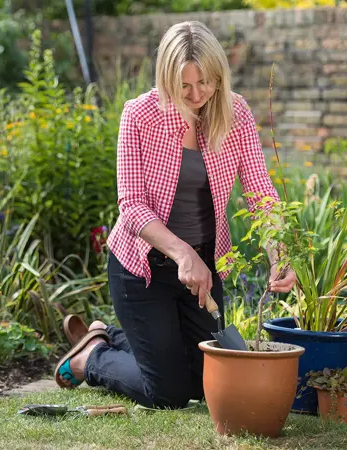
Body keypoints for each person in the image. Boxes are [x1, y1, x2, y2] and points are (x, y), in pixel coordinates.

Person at [54, 21, 297, 408]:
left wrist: (278, 254)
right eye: (185, 85)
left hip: (201, 271)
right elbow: (131, 205)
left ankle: (108, 334)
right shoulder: (139, 115)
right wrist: (184, 254)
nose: (197, 94)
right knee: (168, 394)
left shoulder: (236, 114)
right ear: (166, 77)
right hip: (142, 268)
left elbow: (259, 192)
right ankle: (91, 358)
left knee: (206, 381)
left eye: (207, 82)